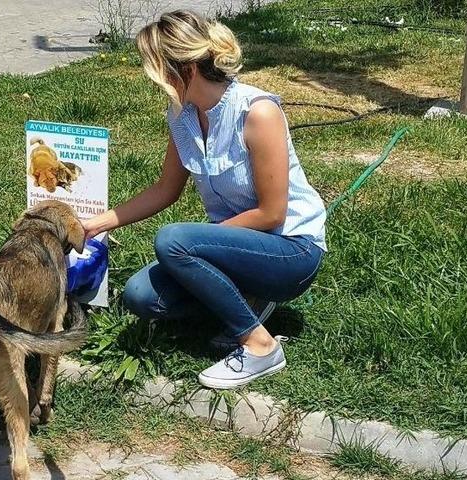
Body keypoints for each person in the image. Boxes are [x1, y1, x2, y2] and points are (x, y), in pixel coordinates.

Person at [82, 10, 327, 389]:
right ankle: (246, 299)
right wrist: (97, 224)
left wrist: (197, 245)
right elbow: (166, 189)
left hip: (291, 249)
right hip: (233, 244)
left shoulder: (257, 112)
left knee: (173, 241)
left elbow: (272, 212)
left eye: (160, 71)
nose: (157, 82)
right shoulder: (182, 116)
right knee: (140, 297)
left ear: (187, 70)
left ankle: (259, 345)